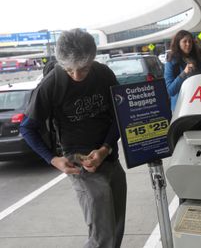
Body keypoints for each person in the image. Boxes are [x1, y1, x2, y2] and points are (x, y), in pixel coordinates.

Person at [20, 29, 127, 248]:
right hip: (79, 164)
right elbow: (27, 128)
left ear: (93, 59)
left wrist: (105, 148)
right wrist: (53, 159)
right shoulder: (52, 84)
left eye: (84, 68)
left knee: (116, 229)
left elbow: (121, 115)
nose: (77, 75)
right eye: (70, 70)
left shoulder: (104, 74)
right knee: (102, 237)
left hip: (109, 158)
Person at [164, 30, 201, 111]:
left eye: (190, 41)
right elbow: (171, 91)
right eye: (184, 41)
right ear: (178, 43)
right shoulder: (171, 62)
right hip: (181, 108)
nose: (188, 44)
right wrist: (184, 73)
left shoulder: (199, 57)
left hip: (199, 104)